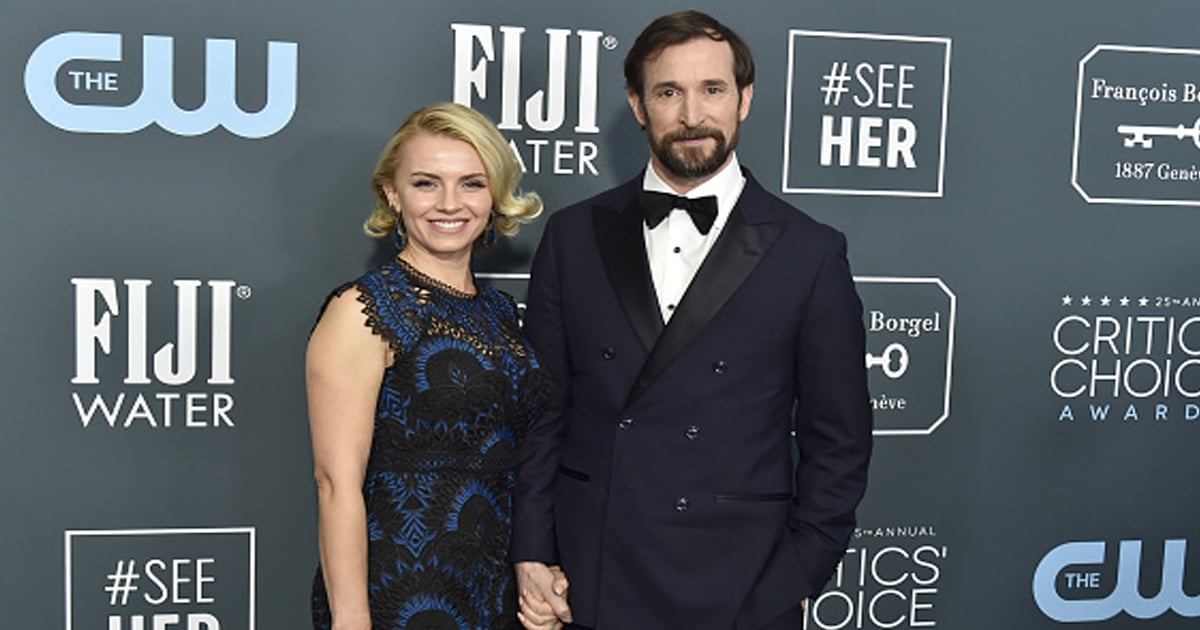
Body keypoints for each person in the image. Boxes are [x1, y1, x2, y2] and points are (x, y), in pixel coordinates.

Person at [511, 10, 873, 630]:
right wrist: (532, 550)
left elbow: (838, 439)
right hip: (592, 575)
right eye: (668, 92)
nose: (692, 115)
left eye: (713, 89)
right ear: (638, 104)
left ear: (745, 99)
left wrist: (792, 578)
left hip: (742, 585)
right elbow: (543, 411)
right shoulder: (573, 236)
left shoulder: (810, 251)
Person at [307, 102, 554, 629]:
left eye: (471, 183)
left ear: (494, 196)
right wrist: (352, 622)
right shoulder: (364, 310)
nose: (449, 203)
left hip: (494, 592)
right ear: (392, 194)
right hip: (404, 592)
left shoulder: (499, 313)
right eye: (425, 183)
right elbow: (335, 482)